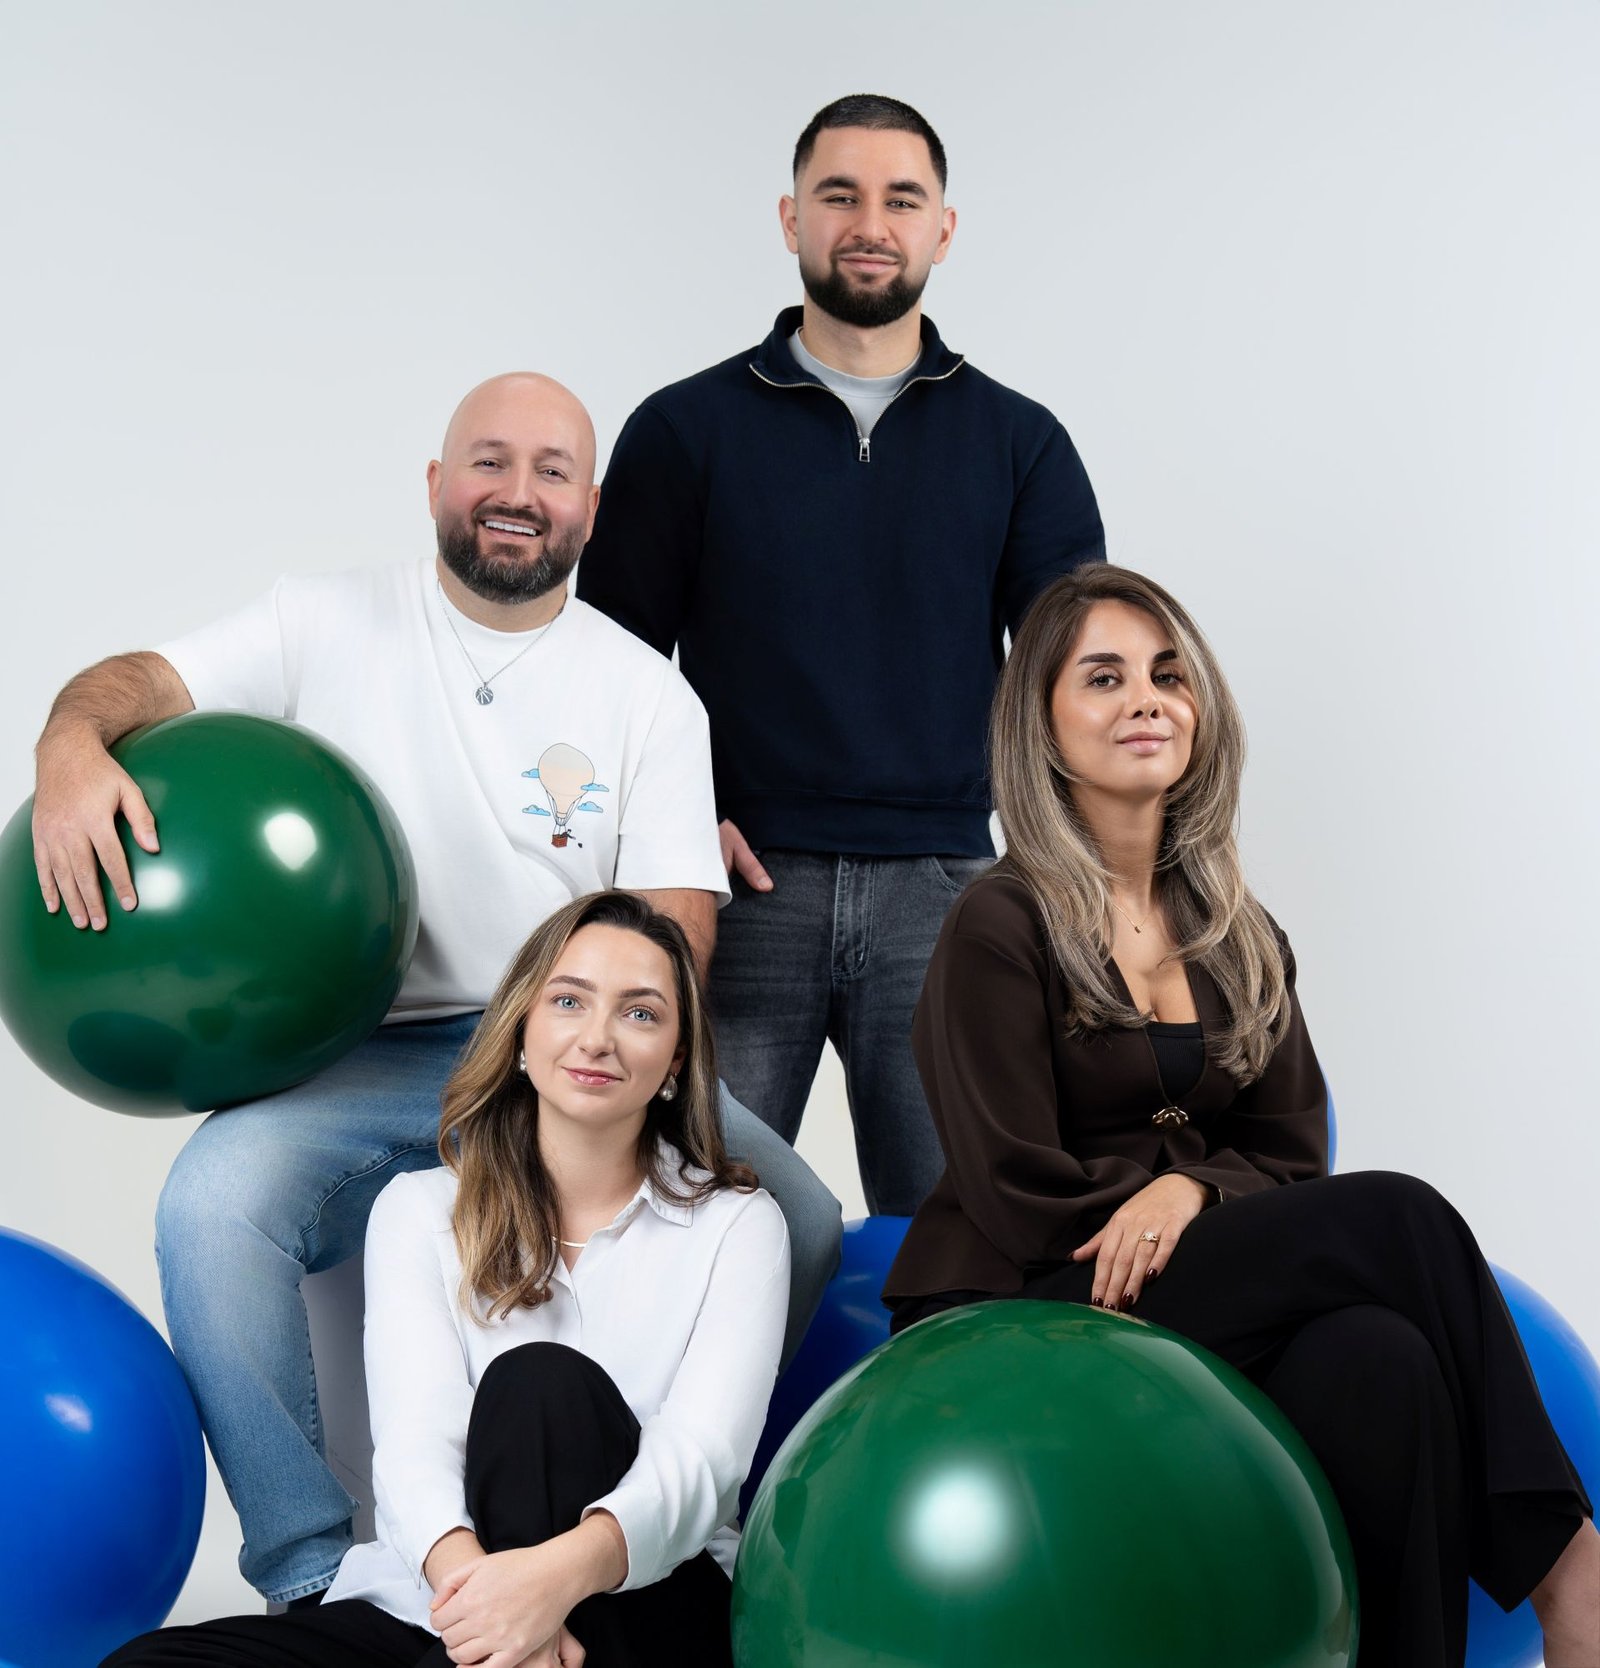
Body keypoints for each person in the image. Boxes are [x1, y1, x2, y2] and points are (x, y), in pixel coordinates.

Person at [29, 372, 840, 1610]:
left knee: (802, 1214)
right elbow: (137, 679)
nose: (517, 493)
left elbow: (675, 928)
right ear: (436, 483)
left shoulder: (645, 694)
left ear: (589, 507)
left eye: (551, 472)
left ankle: (676, 1530)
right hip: (363, 1053)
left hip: (554, 1049)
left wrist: (597, 1055)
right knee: (210, 1207)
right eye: (488, 462)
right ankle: (309, 1574)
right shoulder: (321, 620)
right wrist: (68, 741)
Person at [882, 564, 1600, 1667]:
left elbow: (1292, 1153)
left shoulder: (1234, 928)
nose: (1147, 700)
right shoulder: (997, 921)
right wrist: (1179, 1201)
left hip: (1181, 1282)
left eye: (1168, 675)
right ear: (1042, 726)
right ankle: (1568, 1569)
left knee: (1385, 1362)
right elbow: (1015, 1187)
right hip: (1028, 1301)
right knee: (1401, 1215)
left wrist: (1192, 1189)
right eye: (1105, 678)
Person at [577, 94, 1105, 1216]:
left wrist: (1057, 870)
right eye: (840, 195)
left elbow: (1075, 679)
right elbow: (607, 667)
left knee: (961, 1236)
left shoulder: (1021, 443)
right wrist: (677, 825)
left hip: (945, 894)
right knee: (682, 1219)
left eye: (901, 200)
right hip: (735, 890)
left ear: (942, 230)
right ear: (791, 218)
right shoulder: (683, 430)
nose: (870, 224)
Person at [103, 889, 787, 1668]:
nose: (597, 1038)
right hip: (450, 1597)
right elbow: (415, 1442)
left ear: (675, 1063)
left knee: (538, 1384)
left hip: (646, 1597)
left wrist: (545, 1586)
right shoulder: (420, 1208)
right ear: (521, 1033)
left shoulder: (738, 1224)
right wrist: (488, 1607)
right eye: (569, 1001)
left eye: (640, 1013)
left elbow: (701, 1463)